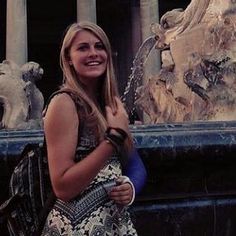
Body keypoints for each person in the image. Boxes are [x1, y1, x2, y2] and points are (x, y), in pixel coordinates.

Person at [41, 21, 145, 235]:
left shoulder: (110, 104)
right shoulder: (64, 103)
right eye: (83, 48)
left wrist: (130, 187)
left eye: (99, 46)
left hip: (112, 224)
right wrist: (113, 139)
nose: (94, 53)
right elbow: (63, 186)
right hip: (76, 227)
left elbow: (135, 163)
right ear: (68, 59)